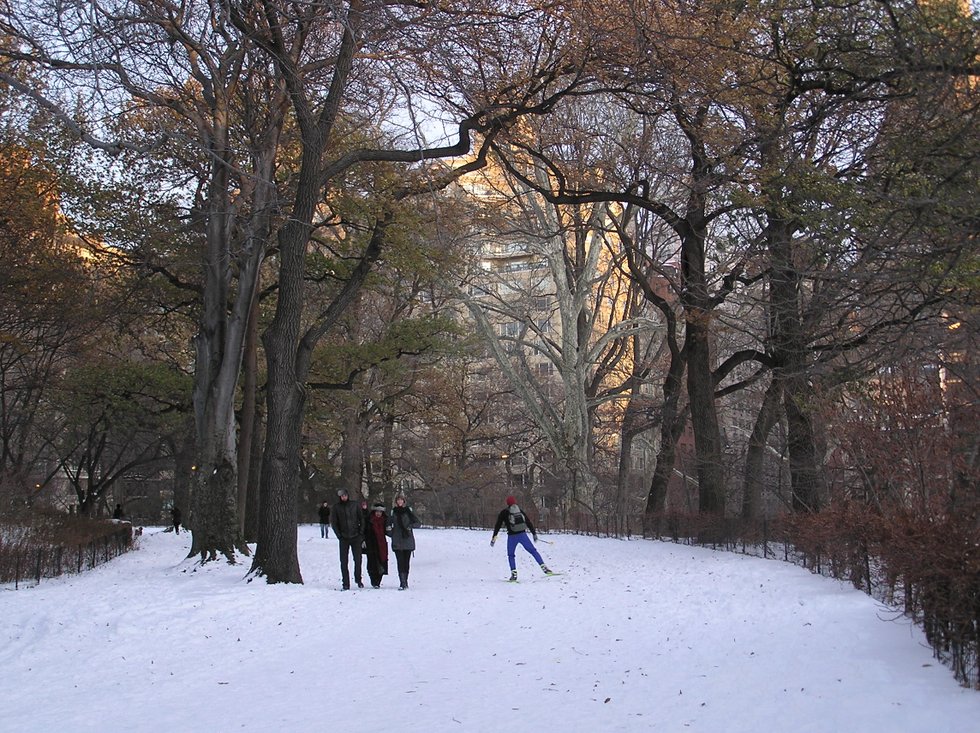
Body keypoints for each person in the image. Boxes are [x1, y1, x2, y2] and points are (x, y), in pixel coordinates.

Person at [491, 496, 553, 582]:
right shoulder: (519, 511)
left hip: (512, 537)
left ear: (507, 503)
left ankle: (514, 574)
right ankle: (544, 567)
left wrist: (494, 537)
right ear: (515, 502)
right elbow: (528, 522)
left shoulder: (504, 512)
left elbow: (498, 525)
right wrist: (534, 533)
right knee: (533, 551)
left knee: (511, 555)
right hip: (522, 535)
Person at [330, 488, 364, 590]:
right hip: (344, 538)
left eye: (345, 495)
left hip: (355, 536)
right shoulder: (336, 507)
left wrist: (360, 533)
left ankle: (358, 579)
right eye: (342, 496)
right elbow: (334, 523)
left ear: (347, 495)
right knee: (343, 561)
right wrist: (339, 535)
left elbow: (361, 519)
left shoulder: (354, 505)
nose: (343, 497)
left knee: (358, 560)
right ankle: (346, 583)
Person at [386, 494, 421, 590]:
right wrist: (391, 533)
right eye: (398, 500)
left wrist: (410, 527)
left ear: (404, 501)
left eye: (401, 500)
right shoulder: (393, 512)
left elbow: (418, 523)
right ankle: (402, 582)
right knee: (400, 562)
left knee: (406, 562)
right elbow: (388, 525)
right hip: (397, 540)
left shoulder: (408, 511)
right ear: (396, 501)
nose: (400, 502)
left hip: (408, 539)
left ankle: (406, 580)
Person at [363, 502, 389, 588]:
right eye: (377, 511)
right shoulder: (368, 520)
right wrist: (363, 540)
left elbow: (388, 531)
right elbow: (364, 531)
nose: (378, 513)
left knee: (382, 562)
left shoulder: (385, 520)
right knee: (371, 563)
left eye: (380, 512)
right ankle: (373, 580)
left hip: (381, 544)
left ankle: (378, 580)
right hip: (371, 543)